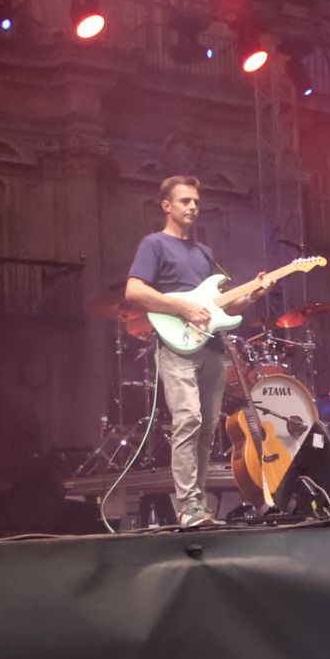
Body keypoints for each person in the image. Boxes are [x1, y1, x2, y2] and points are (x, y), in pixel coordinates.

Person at [124, 176, 270, 528]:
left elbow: (221, 305)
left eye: (196, 202)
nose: (193, 207)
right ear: (167, 206)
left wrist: (252, 295)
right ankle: (188, 506)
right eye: (185, 201)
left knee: (206, 427)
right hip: (176, 346)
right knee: (188, 418)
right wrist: (182, 309)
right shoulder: (154, 244)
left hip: (211, 347)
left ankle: (198, 507)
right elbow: (133, 291)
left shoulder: (205, 253)